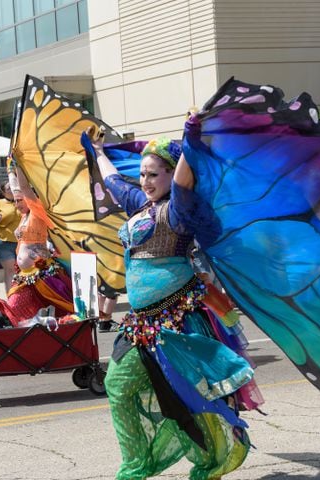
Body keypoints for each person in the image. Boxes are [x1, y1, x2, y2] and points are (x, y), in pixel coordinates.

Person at [90, 131, 259, 479]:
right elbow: (112, 182)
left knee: (190, 399)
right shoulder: (140, 206)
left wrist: (190, 139)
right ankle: (136, 466)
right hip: (140, 325)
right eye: (142, 174)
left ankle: (209, 464)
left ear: (171, 174)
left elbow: (184, 182)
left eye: (154, 174)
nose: (146, 181)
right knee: (118, 387)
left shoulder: (178, 211)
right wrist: (96, 152)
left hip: (176, 323)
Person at [6, 164, 74, 321]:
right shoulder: (24, 216)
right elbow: (16, 187)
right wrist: (11, 169)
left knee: (65, 308)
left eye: (19, 201)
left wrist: (20, 166)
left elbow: (23, 187)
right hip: (24, 277)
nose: (17, 204)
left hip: (42, 273)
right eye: (15, 201)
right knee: (13, 308)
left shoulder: (37, 212)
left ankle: (72, 337)